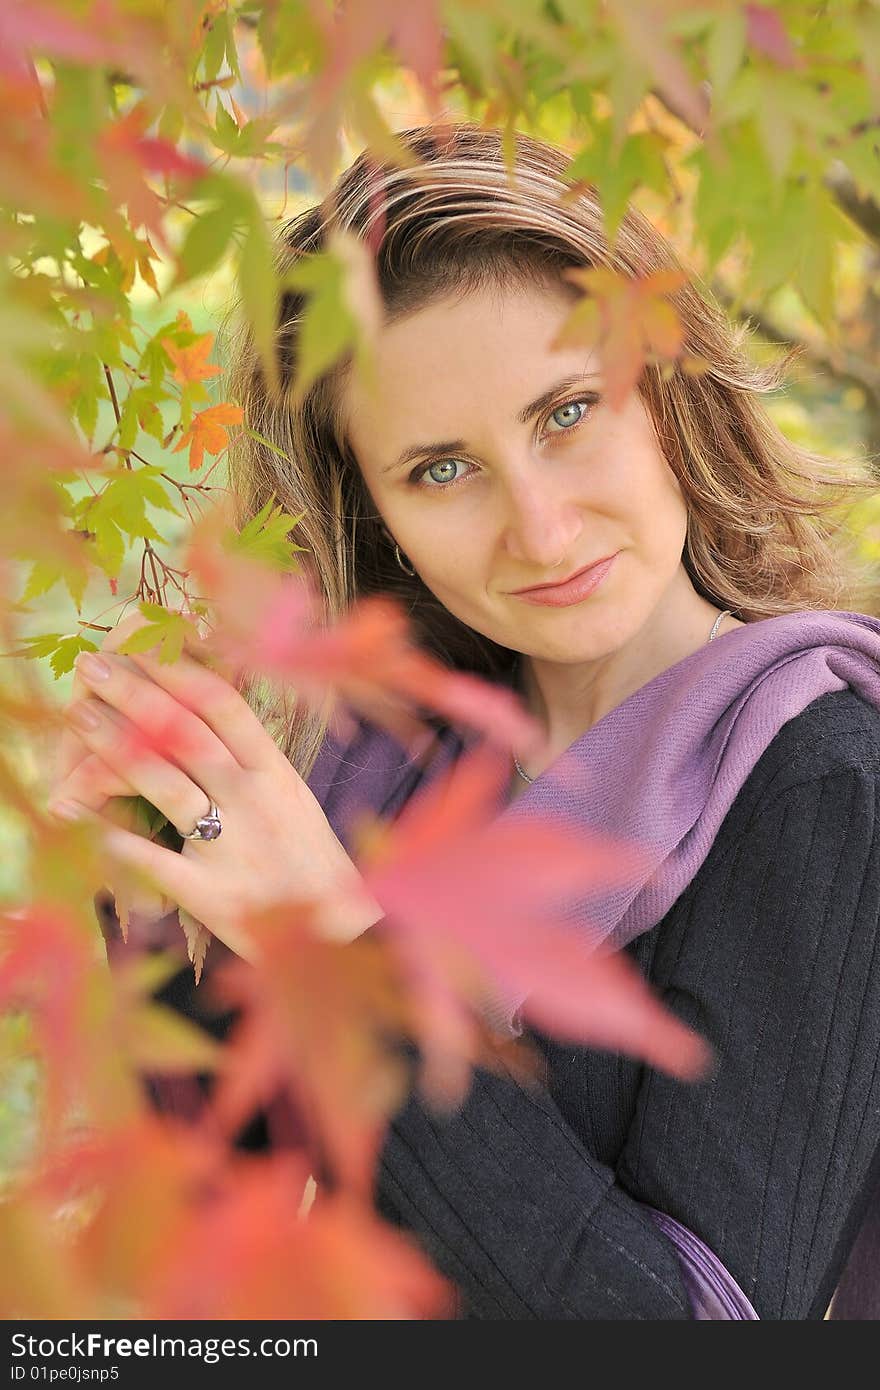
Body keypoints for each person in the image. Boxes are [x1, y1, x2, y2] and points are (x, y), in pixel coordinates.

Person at [56, 122, 880, 1319]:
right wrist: (150, 919)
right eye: (441, 469)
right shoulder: (377, 771)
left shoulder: (822, 781)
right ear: (376, 510)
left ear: (668, 387)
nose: (539, 529)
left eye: (567, 412)